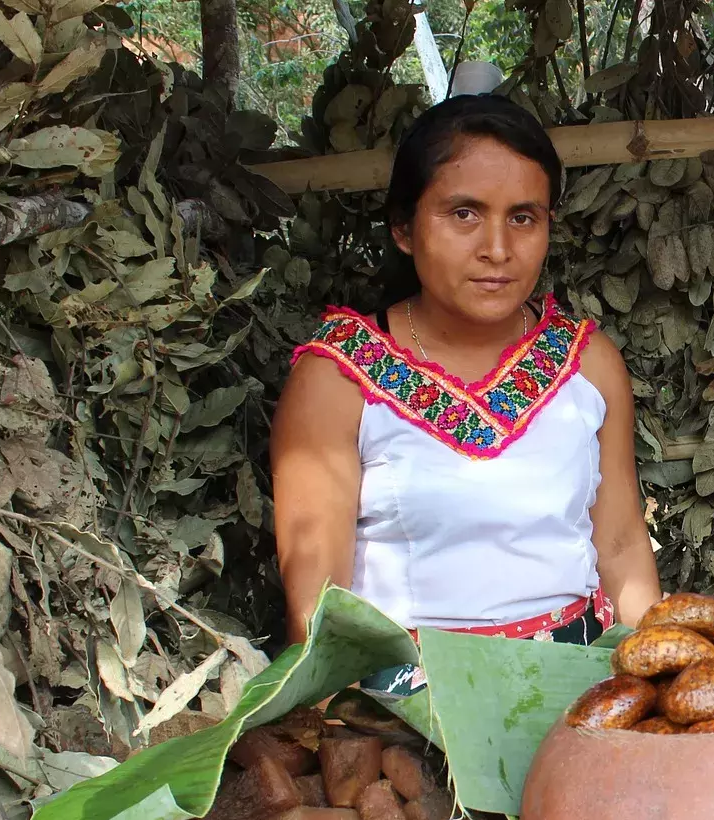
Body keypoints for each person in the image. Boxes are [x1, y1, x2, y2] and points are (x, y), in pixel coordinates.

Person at [270, 93, 661, 678]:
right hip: (407, 697)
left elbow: (623, 546)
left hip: (577, 683)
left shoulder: (588, 363)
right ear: (404, 229)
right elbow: (319, 605)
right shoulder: (337, 377)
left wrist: (656, 687)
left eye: (523, 217)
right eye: (464, 214)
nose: (497, 249)